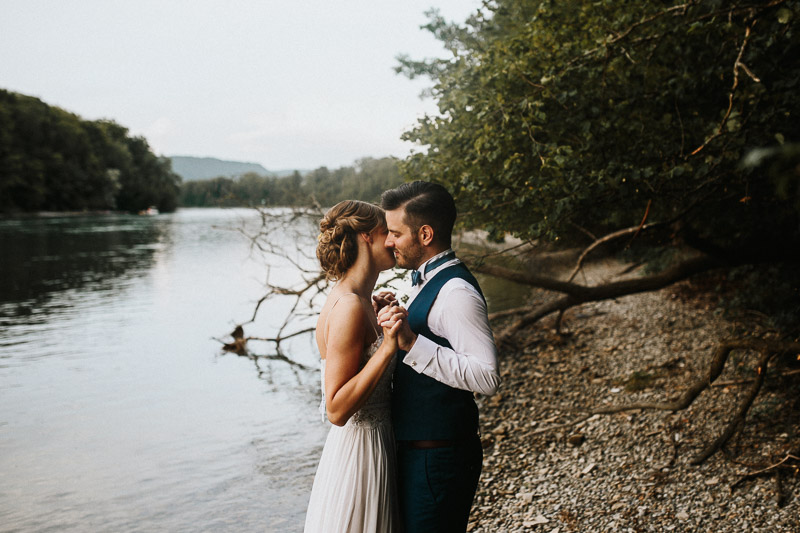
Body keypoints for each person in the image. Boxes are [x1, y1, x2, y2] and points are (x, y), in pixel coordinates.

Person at [379, 181, 501, 533]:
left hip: (439, 457)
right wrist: (396, 315)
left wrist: (412, 343)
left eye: (395, 233)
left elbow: (487, 376)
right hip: (422, 453)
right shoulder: (426, 281)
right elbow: (435, 336)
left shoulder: (457, 291)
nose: (388, 242)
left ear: (426, 234)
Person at [304, 200, 405, 533]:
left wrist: (381, 322)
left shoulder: (360, 300)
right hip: (363, 454)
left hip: (377, 443)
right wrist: (387, 347)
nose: (394, 240)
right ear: (366, 237)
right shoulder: (348, 305)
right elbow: (335, 409)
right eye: (387, 233)